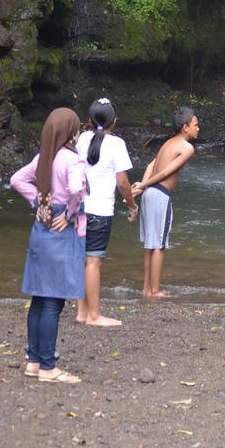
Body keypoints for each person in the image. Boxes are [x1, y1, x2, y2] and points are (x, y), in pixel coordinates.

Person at [9, 108, 87, 383]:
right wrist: (69, 214)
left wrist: (39, 203)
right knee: (53, 302)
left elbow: (17, 179)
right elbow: (77, 190)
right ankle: (48, 367)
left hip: (40, 231)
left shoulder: (43, 158)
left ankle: (33, 361)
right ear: (71, 133)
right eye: (77, 129)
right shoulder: (72, 161)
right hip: (60, 234)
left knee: (39, 299)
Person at [74, 98, 138, 326]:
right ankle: (94, 315)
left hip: (79, 209)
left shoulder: (82, 139)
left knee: (82, 259)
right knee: (94, 261)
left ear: (89, 121)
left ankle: (82, 312)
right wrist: (132, 205)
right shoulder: (116, 144)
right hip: (100, 211)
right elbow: (122, 182)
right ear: (115, 121)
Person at [132, 106, 199, 297]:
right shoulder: (187, 148)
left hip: (149, 194)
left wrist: (142, 186)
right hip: (160, 194)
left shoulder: (168, 142)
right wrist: (144, 184)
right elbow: (165, 172)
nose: (198, 128)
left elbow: (151, 165)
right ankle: (155, 290)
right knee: (159, 245)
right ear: (185, 127)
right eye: (195, 125)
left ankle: (146, 288)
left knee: (150, 244)